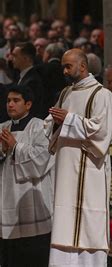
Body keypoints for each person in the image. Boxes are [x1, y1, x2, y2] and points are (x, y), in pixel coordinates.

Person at [44, 48, 112, 266]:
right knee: (64, 225)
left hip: (90, 169)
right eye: (63, 66)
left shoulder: (102, 95)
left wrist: (69, 120)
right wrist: (57, 122)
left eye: (68, 66)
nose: (65, 71)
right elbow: (50, 123)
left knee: (89, 226)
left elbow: (103, 131)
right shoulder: (65, 94)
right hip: (66, 168)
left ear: (83, 67)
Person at [0, 85, 55, 267]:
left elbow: (43, 158)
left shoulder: (40, 127)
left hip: (33, 198)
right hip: (8, 198)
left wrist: (16, 147)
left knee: (33, 256)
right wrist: (2, 150)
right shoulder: (3, 128)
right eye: (8, 101)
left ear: (28, 104)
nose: (10, 105)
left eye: (16, 101)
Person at [11, 42, 46, 118]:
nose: (11, 59)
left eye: (15, 56)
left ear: (26, 58)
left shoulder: (33, 81)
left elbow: (32, 109)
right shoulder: (21, 77)